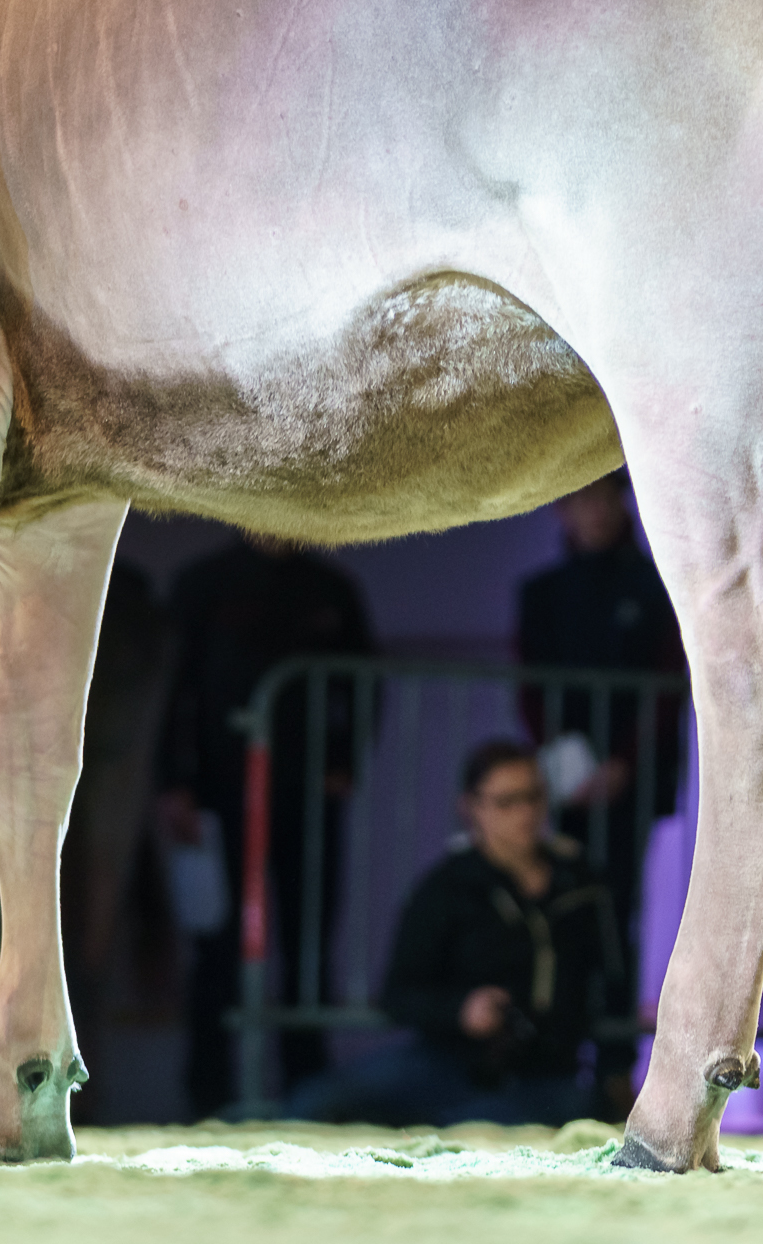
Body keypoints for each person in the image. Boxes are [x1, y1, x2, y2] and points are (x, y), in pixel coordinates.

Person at [157, 531, 377, 1118]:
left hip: (308, 794)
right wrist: (175, 781)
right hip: (219, 792)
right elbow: (173, 689)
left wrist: (345, 761)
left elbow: (363, 682)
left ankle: (309, 1091)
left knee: (308, 941)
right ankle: (209, 1094)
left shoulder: (330, 589)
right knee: (217, 945)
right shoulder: (204, 585)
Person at [289, 741, 621, 1127]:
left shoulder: (582, 885)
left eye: (533, 797)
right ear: (472, 807)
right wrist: (462, 1010)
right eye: (507, 801)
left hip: (546, 1073)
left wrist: (616, 1070)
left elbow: (615, 983)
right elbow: (399, 993)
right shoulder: (448, 886)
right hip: (447, 1061)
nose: (525, 813)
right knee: (316, 1101)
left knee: (488, 1126)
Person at [511, 472, 685, 927]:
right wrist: (564, 757)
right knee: (562, 890)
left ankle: (614, 977)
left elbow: (666, 687)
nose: (598, 511)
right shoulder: (542, 594)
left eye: (608, 497)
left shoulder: (658, 587)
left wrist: (624, 762)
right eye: (585, 499)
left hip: (637, 772)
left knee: (620, 898)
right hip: (564, 774)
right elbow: (530, 685)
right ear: (562, 509)